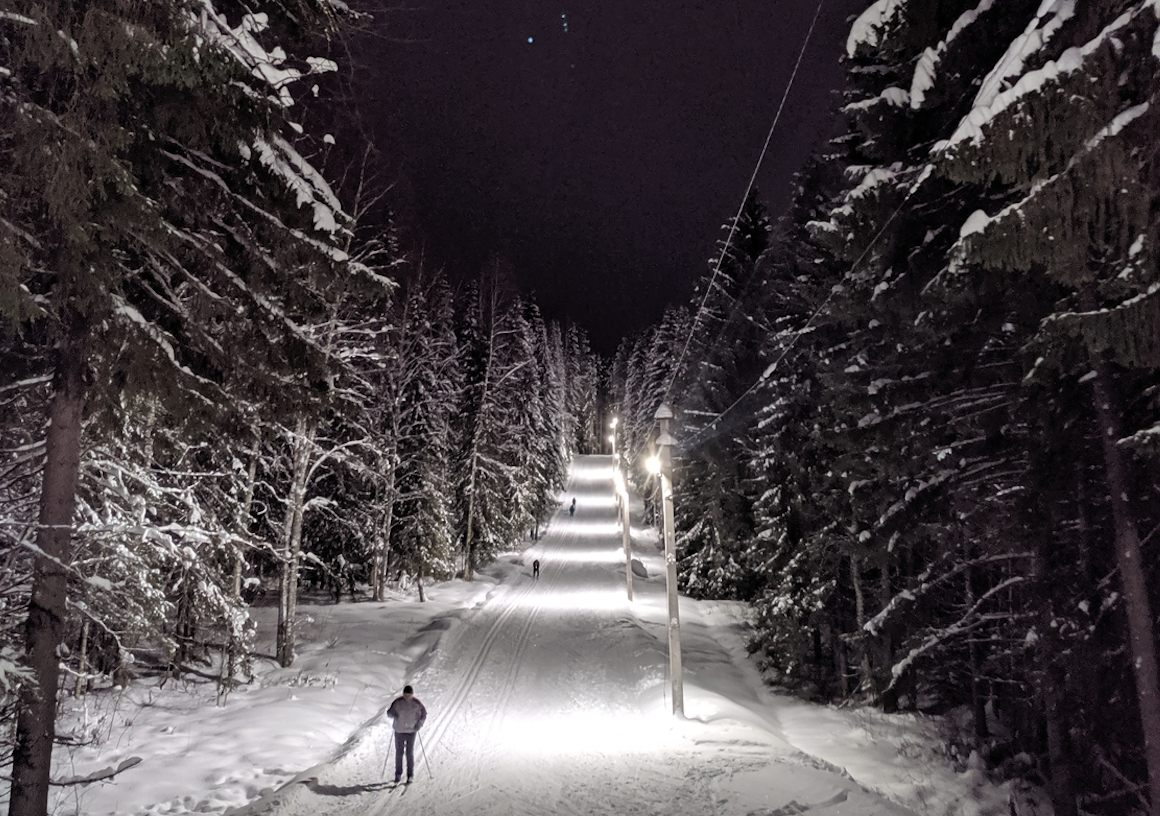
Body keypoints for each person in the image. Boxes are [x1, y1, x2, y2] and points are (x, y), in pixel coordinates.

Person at [387, 685, 427, 783]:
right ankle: (398, 774)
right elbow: (389, 712)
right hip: (399, 730)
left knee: (409, 753)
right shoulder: (397, 702)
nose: (407, 697)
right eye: (405, 695)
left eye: (409, 695)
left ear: (412, 694)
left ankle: (410, 775)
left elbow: (424, 714)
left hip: (411, 731)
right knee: (399, 753)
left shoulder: (417, 703)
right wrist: (392, 714)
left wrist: (419, 724)